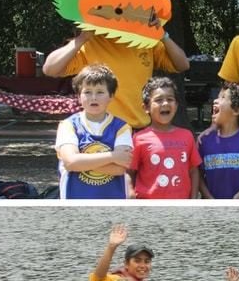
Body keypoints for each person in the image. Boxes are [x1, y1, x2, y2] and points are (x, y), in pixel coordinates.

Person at [43, 29, 189, 129]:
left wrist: (163, 36)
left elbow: (182, 64)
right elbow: (50, 68)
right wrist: (82, 38)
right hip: (101, 129)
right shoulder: (91, 42)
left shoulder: (146, 41)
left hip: (138, 129)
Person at [55, 64, 133, 199]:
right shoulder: (68, 125)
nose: (94, 97)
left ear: (111, 96)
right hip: (75, 201)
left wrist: (82, 161)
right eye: (87, 92)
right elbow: (71, 162)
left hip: (112, 202)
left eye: (100, 92)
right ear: (79, 96)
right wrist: (112, 157)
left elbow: (120, 168)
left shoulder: (121, 127)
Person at [129, 77, 202, 199]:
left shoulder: (187, 136)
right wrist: (130, 193)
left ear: (177, 105)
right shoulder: (139, 138)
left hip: (181, 208)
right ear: (146, 108)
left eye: (170, 99)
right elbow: (129, 172)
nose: (165, 103)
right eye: (158, 100)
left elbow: (194, 170)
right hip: (148, 209)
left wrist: (193, 199)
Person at [198, 83, 239, 199]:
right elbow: (197, 175)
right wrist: (208, 198)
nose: (215, 101)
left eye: (223, 97)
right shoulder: (204, 141)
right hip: (210, 211)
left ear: (237, 110)